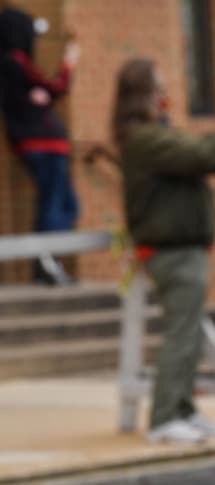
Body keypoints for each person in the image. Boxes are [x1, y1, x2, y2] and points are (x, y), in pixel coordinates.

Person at [112, 57, 215, 445]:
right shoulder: (145, 139)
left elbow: (196, 150)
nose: (164, 95)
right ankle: (166, 416)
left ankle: (183, 409)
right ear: (144, 94)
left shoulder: (148, 134)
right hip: (172, 250)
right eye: (159, 88)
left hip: (182, 247)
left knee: (188, 335)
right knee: (181, 335)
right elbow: (200, 155)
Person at [0, 5, 79, 284]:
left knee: (64, 204)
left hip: (47, 144)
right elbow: (56, 86)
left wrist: (41, 93)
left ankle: (46, 263)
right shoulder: (14, 61)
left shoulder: (15, 65)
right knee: (55, 204)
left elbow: (46, 91)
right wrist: (69, 62)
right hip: (40, 143)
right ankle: (46, 263)